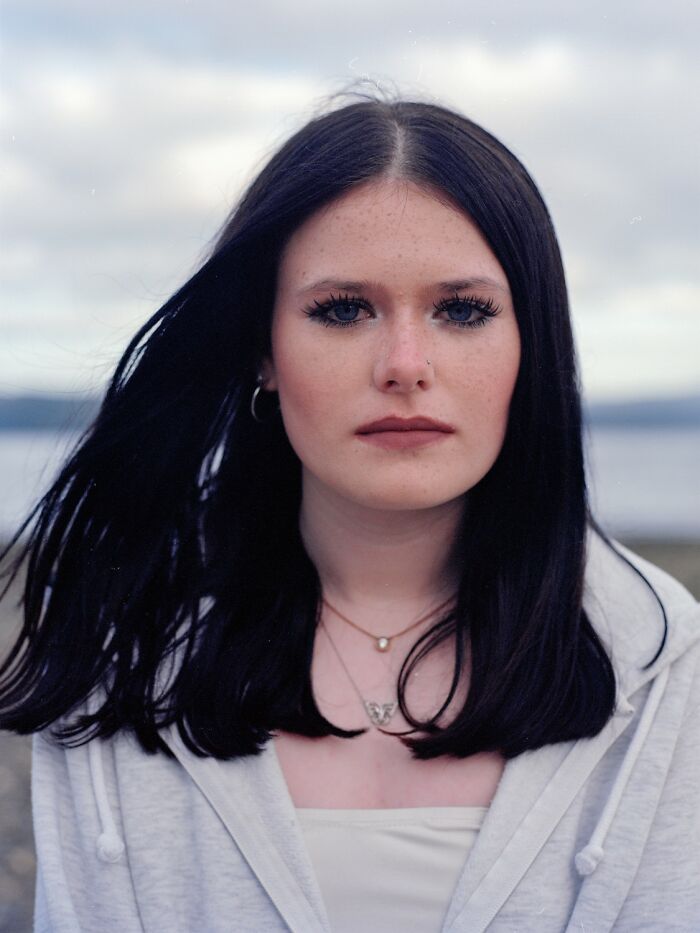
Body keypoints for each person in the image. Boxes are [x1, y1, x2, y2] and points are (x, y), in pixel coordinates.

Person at [1, 91, 698, 933]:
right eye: (342, 310)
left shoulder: (661, 662)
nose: (405, 364)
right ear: (264, 347)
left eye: (462, 310)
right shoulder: (125, 654)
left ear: (532, 344)